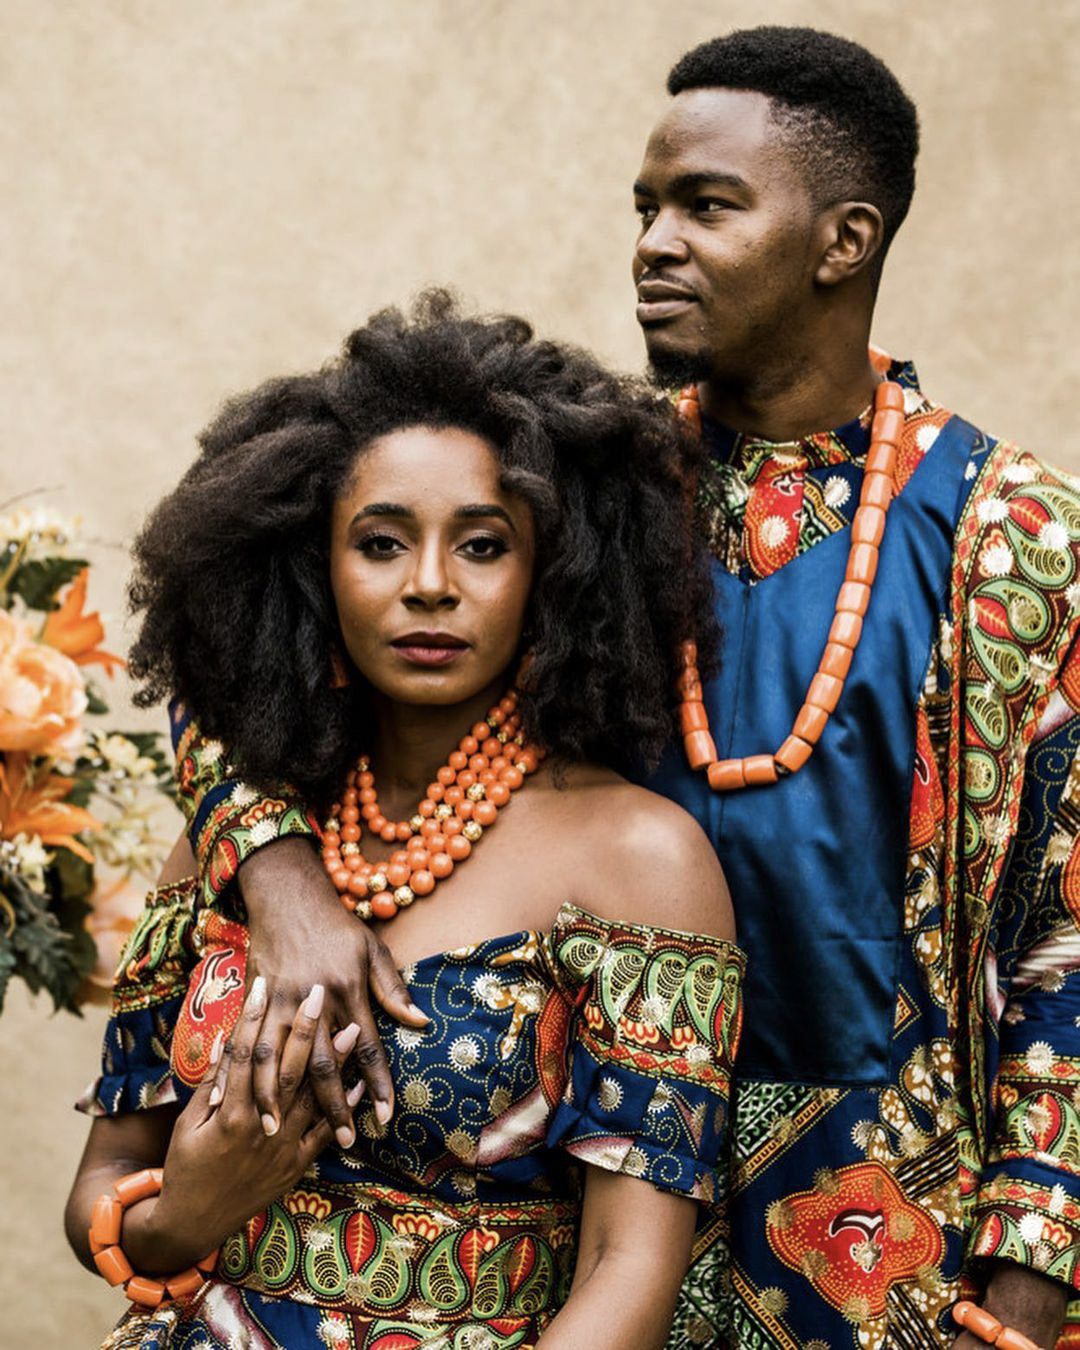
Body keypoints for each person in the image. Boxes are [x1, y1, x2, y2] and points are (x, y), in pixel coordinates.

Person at [147, 26, 1080, 1350]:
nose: (653, 241)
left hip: (883, 1243)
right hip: (566, 1222)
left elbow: (1071, 938)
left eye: (705, 206)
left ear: (844, 240)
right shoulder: (573, 492)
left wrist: (1032, 1271)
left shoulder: (1013, 537)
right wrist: (285, 881)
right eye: (646, 208)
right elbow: (240, 665)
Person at [65, 295, 744, 1350]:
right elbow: (108, 1181)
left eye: (482, 546)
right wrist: (186, 1214)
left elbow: (630, 1269)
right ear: (311, 571)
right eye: (381, 544)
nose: (430, 586)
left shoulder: (641, 859)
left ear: (554, 579)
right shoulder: (237, 841)